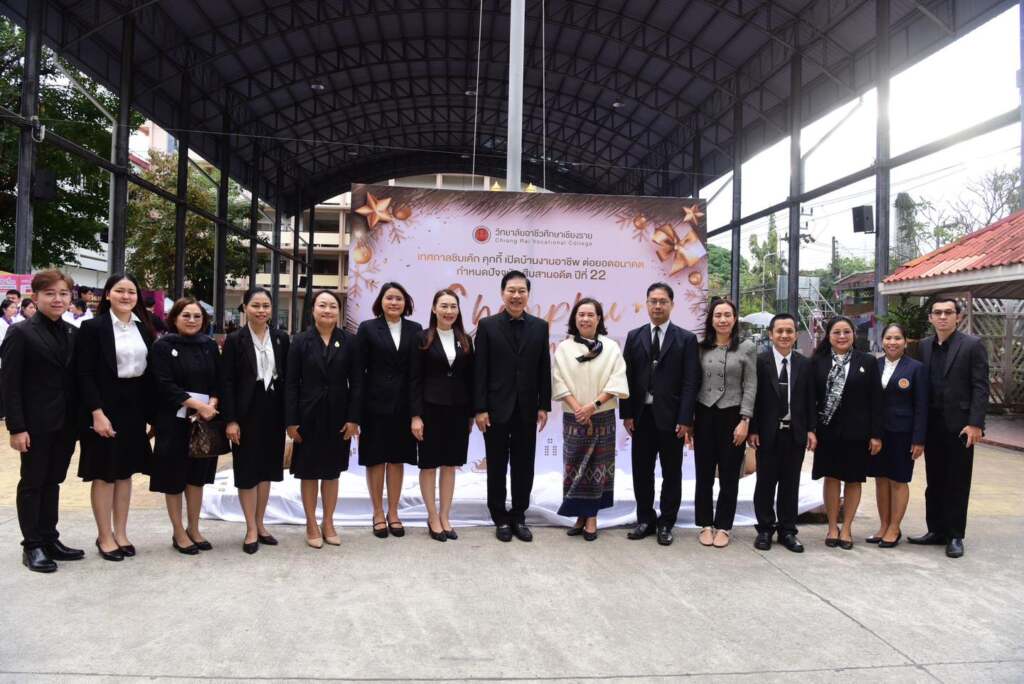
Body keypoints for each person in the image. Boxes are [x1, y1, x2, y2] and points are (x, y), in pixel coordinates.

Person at [0, 269, 84, 573]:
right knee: (33, 482)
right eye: (50, 294)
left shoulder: (73, 332)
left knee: (53, 481)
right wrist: (17, 427)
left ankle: (50, 538)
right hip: (34, 424)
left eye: (63, 293)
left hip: (66, 423)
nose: (57, 299)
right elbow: (9, 384)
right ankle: (32, 545)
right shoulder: (20, 333)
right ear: (35, 297)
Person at [76, 274, 156, 561]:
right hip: (103, 407)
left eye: (131, 291)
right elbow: (83, 374)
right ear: (108, 294)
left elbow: (150, 374)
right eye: (119, 291)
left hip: (134, 407)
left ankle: (121, 532)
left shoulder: (144, 327)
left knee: (125, 473)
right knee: (104, 473)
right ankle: (104, 535)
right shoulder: (92, 328)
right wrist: (96, 412)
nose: (126, 296)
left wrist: (152, 415)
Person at [474, 270, 552, 543]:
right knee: (496, 464)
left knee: (524, 465)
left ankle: (519, 516)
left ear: (528, 295)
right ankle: (500, 518)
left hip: (527, 408)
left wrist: (544, 405)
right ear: (502, 293)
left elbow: (544, 368)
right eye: (511, 290)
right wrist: (480, 408)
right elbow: (480, 369)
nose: (516, 296)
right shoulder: (487, 326)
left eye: (522, 291)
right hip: (495, 408)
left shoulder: (540, 326)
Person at [620, 282, 700, 546]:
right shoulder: (634, 336)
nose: (657, 306)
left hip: (672, 418)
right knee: (641, 471)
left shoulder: (686, 339)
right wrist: (627, 414)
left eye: (662, 301)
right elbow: (626, 377)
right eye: (653, 301)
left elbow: (690, 382)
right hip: (641, 417)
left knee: (672, 473)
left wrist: (685, 418)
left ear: (672, 305)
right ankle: (645, 519)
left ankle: (666, 522)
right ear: (646, 304)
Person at [909, 297, 989, 558]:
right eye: (938, 312)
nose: (942, 317)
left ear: (958, 317)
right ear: (930, 317)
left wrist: (975, 423)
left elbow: (980, 386)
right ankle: (936, 530)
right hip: (932, 424)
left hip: (961, 426)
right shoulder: (924, 346)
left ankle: (955, 535)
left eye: (948, 312)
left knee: (957, 481)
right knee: (934, 480)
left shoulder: (972, 345)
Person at [285, 290, 361, 548]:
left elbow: (357, 383)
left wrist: (353, 418)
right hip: (307, 417)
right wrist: (291, 421)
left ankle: (328, 522)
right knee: (308, 473)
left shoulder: (349, 341)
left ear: (339, 311)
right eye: (322, 305)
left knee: (331, 473)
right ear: (313, 310)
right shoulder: (300, 341)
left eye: (332, 306)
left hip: (338, 417)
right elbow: (291, 383)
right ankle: (311, 523)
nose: (327, 310)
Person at [149, 298, 222, 555]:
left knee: (197, 477)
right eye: (186, 315)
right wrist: (197, 405)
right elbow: (163, 384)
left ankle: (194, 528)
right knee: (173, 478)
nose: (192, 320)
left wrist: (212, 403)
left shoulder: (209, 345)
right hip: (173, 421)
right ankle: (178, 530)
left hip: (202, 423)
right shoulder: (163, 346)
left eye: (197, 316)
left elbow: (219, 379)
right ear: (174, 318)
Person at [552, 298, 629, 541]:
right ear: (575, 318)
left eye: (590, 315)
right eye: (581, 314)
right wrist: (578, 408)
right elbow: (558, 380)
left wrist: (592, 406)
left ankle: (592, 517)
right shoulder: (564, 348)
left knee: (598, 466)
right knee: (574, 465)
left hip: (602, 414)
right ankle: (579, 516)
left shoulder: (611, 347)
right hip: (574, 416)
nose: (585, 319)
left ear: (598, 319)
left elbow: (617, 381)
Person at [220, 288, 290, 554]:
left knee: (267, 470)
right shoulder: (235, 340)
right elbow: (227, 382)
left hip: (273, 411)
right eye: (256, 305)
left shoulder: (281, 338)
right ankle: (250, 527)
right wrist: (231, 420)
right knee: (247, 471)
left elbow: (287, 378)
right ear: (245, 307)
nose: (261, 311)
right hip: (246, 412)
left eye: (266, 306)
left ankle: (261, 524)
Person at [355, 282, 422, 538]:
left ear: (406, 303)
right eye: (389, 298)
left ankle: (393, 512)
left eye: (399, 298)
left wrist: (416, 413)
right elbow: (358, 373)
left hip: (403, 406)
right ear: (380, 302)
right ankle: (377, 513)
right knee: (375, 460)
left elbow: (416, 375)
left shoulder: (415, 330)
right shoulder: (367, 328)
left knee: (396, 460)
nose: (394, 302)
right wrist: (356, 413)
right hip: (373, 406)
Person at [811, 316, 883, 550]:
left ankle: (847, 528)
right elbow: (810, 398)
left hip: (857, 432)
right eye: (836, 332)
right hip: (827, 432)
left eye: (846, 332)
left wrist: (876, 434)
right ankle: (833, 527)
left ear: (854, 335)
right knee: (831, 477)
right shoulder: (818, 362)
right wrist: (811, 429)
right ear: (828, 336)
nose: (842, 336)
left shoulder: (867, 362)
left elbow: (876, 400)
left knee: (853, 479)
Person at [410, 289, 474, 542]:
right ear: (434, 309)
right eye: (444, 306)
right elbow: (414, 379)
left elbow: (470, 379)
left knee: (450, 465)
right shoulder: (422, 338)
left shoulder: (465, 340)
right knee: (429, 465)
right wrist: (416, 416)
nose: (449, 311)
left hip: (458, 411)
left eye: (453, 306)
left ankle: (445, 516)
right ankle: (432, 516)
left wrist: (470, 415)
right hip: (430, 411)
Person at [749, 313, 817, 553]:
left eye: (789, 331)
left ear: (796, 335)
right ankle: (765, 529)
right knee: (765, 484)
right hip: (767, 433)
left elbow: (810, 400)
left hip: (794, 433)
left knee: (791, 484)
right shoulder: (760, 362)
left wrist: (811, 430)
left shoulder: (805, 364)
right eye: (780, 331)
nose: (784, 335)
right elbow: (753, 398)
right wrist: (753, 429)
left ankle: (788, 530)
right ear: (771, 334)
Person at [693, 298, 757, 549]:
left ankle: (724, 526)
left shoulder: (747, 348)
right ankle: (705, 524)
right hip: (704, 415)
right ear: (711, 319)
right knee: (704, 474)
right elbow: (692, 383)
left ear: (735, 318)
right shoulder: (700, 348)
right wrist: (689, 421)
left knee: (730, 475)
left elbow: (750, 385)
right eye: (718, 315)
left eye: (727, 315)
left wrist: (745, 420)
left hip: (733, 416)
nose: (722, 320)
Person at [867, 323, 928, 548]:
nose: (892, 342)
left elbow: (922, 406)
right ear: (882, 341)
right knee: (881, 479)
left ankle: (894, 527)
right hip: (878, 434)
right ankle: (883, 525)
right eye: (888, 338)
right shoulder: (875, 365)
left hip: (903, 434)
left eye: (897, 338)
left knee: (898, 480)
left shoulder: (916, 368)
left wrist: (919, 439)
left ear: (905, 342)